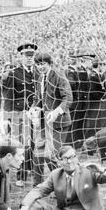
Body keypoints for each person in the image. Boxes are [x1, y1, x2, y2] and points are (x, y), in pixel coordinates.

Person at [31, 52, 73, 186]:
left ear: (49, 63)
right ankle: (36, 185)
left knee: (51, 155)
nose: (40, 67)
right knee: (37, 153)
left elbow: (68, 98)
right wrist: (33, 109)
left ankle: (63, 184)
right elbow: (38, 99)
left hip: (59, 122)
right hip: (44, 122)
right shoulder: (40, 78)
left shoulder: (59, 75)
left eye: (42, 64)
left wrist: (56, 112)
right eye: (38, 64)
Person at [3, 42, 39, 187]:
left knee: (36, 144)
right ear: (21, 57)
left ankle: (30, 169)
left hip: (36, 113)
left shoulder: (38, 72)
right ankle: (21, 175)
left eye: (31, 56)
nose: (29, 58)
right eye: (26, 56)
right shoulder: (14, 73)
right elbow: (8, 96)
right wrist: (7, 119)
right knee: (23, 145)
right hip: (19, 114)